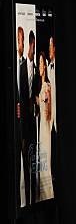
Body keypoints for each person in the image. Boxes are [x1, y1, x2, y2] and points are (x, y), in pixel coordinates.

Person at [36, 52, 54, 201]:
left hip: (45, 127)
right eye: (39, 63)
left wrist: (42, 102)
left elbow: (48, 110)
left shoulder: (47, 86)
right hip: (40, 126)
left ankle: (48, 195)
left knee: (46, 158)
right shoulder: (42, 86)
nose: (40, 66)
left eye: (42, 63)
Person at [16, 27, 30, 206]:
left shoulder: (26, 66)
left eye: (22, 41)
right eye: (18, 40)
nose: (20, 44)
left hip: (24, 129)